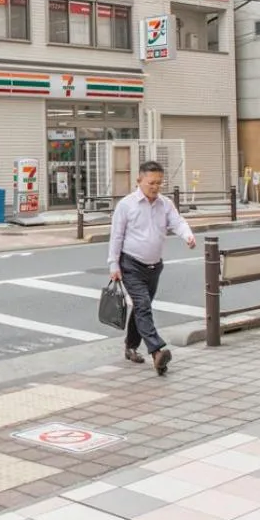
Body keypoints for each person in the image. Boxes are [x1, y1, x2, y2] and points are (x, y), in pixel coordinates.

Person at [108, 160, 196, 376]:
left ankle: (130, 346)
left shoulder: (164, 204)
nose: (155, 187)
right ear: (139, 181)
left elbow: (177, 222)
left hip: (154, 266)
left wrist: (187, 235)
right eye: (151, 183)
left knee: (141, 308)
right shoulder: (127, 205)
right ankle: (157, 351)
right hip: (131, 263)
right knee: (143, 305)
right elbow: (116, 235)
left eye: (159, 183)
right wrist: (114, 264)